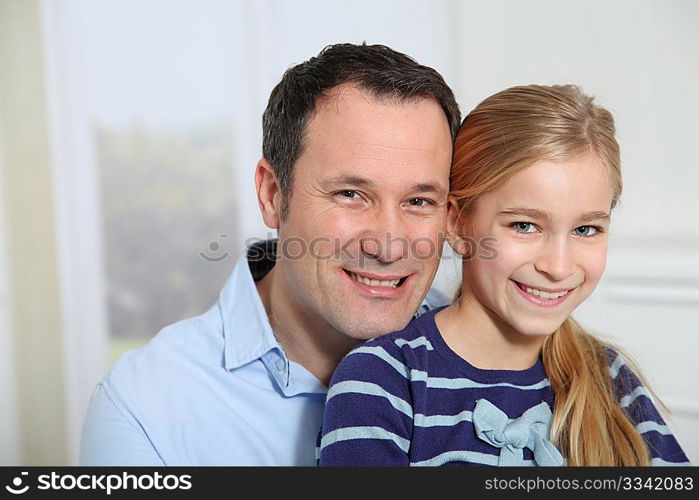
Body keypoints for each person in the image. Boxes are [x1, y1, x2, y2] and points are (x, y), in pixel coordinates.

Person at [79, 43, 461, 465]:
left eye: (420, 201)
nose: (388, 246)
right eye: (350, 194)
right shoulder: (144, 409)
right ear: (272, 194)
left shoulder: (508, 356)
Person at [318, 84, 691, 466]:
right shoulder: (383, 380)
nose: (558, 266)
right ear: (458, 224)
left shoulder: (611, 380)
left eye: (586, 230)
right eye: (525, 226)